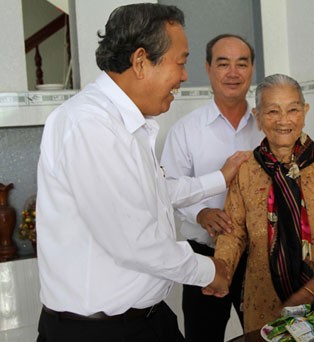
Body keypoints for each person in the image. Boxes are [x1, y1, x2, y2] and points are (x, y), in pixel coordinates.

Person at [35, 4, 248, 342]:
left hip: (148, 317)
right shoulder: (89, 125)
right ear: (140, 62)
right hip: (98, 331)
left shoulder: (129, 124)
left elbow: (152, 192)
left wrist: (220, 179)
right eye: (180, 62)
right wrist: (211, 271)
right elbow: (133, 240)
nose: (184, 75)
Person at [212, 74, 314, 333]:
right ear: (258, 117)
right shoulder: (246, 169)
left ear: (305, 112)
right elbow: (233, 232)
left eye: (293, 109)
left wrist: (307, 291)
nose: (284, 120)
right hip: (265, 300)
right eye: (272, 111)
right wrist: (221, 271)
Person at [160, 34, 263, 341]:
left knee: (265, 334)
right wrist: (200, 212)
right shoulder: (186, 130)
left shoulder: (267, 126)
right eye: (223, 64)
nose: (233, 73)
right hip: (203, 257)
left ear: (252, 69)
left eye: (241, 64)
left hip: (259, 260)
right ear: (207, 68)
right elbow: (167, 188)